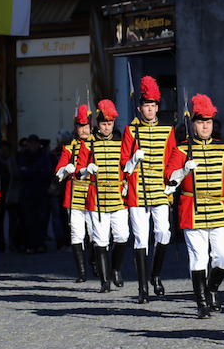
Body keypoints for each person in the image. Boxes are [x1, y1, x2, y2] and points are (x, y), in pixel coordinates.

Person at [165, 94, 224, 318]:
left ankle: (211, 289)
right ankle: (201, 303)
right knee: (198, 257)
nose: (204, 126)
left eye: (208, 122)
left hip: (220, 210)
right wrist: (182, 171)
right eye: (200, 122)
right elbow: (168, 179)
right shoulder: (181, 150)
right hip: (192, 209)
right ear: (192, 124)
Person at [120, 76, 178, 303]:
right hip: (138, 190)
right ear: (139, 107)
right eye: (147, 106)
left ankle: (156, 274)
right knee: (140, 238)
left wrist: (174, 179)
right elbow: (124, 163)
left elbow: (173, 157)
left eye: (153, 106)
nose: (150, 109)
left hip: (160, 190)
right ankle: (143, 288)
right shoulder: (130, 131)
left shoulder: (167, 130)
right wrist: (134, 159)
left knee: (163, 233)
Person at [87, 100, 130, 290]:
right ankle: (104, 281)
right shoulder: (89, 144)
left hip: (117, 196)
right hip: (97, 196)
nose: (106, 127)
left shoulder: (120, 144)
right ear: (97, 123)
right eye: (103, 123)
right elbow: (79, 168)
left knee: (122, 236)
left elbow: (126, 167)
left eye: (110, 123)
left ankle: (116, 269)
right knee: (101, 239)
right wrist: (85, 170)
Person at [54, 105, 98, 285]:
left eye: (87, 125)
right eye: (81, 126)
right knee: (77, 234)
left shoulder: (98, 144)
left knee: (96, 233)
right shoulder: (68, 148)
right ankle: (81, 272)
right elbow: (58, 173)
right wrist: (65, 169)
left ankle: (95, 260)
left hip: (94, 192)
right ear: (76, 128)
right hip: (74, 194)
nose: (84, 129)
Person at [15, 133, 52, 254]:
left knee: (41, 220)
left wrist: (31, 171)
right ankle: (29, 245)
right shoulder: (23, 157)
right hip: (27, 194)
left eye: (36, 143)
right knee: (28, 221)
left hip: (42, 193)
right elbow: (21, 174)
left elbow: (47, 173)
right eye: (31, 143)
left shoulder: (45, 156)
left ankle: (40, 244)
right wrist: (37, 170)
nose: (34, 145)